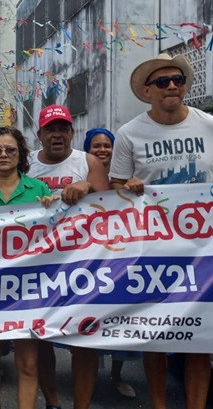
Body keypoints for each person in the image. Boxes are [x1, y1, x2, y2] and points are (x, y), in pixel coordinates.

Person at [109, 53, 213, 409]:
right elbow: (116, 187)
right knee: (154, 335)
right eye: (163, 81)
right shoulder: (128, 134)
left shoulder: (211, 125)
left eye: (177, 80)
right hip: (151, 250)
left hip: (207, 250)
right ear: (148, 90)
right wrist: (128, 185)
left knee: (201, 336)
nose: (171, 86)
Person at [28, 105, 109, 409]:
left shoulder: (87, 162)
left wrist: (87, 184)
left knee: (84, 339)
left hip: (83, 262)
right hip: (39, 264)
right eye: (51, 129)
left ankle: (82, 405)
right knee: (40, 339)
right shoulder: (26, 165)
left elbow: (109, 205)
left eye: (63, 128)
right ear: (40, 135)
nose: (57, 135)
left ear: (72, 132)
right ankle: (52, 402)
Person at [0, 127, 51, 409]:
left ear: (20, 154)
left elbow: (56, 235)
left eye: (10, 150)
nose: (3, 154)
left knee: (28, 362)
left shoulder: (39, 190)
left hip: (28, 288)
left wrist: (54, 208)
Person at [83, 127, 139, 399]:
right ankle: (85, 381)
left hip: (120, 254)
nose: (103, 150)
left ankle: (117, 374)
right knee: (88, 320)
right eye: (96, 146)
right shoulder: (81, 175)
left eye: (107, 145)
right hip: (87, 258)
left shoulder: (124, 177)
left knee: (119, 316)